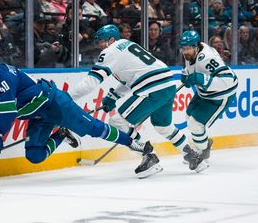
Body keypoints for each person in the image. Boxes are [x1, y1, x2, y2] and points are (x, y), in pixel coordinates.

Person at [0, 51, 152, 177]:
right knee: (35, 155)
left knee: (94, 128)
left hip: (55, 104)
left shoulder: (3, 77)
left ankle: (132, 142)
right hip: (38, 116)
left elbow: (8, 110)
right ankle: (61, 134)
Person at [68, 24, 208, 177]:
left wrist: (67, 97)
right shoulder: (128, 45)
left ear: (112, 39)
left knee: (116, 122)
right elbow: (132, 77)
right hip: (167, 84)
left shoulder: (111, 51)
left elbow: (90, 82)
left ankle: (149, 156)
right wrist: (113, 96)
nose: (100, 45)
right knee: (163, 127)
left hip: (152, 88)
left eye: (102, 41)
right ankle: (194, 157)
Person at [179, 30, 238, 163]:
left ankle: (203, 151)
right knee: (189, 116)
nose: (185, 51)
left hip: (220, 95)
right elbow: (191, 68)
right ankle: (203, 143)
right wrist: (187, 75)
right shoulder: (192, 51)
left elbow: (228, 80)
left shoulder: (207, 58)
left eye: (188, 48)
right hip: (204, 92)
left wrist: (201, 79)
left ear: (196, 46)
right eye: (183, 48)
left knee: (196, 124)